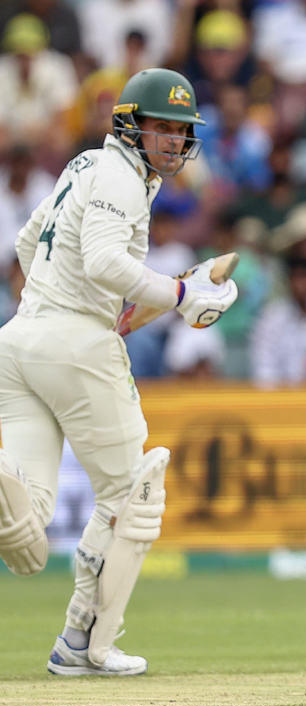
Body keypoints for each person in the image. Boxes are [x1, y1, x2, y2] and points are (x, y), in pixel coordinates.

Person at [0, 68, 238, 675]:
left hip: (21, 340)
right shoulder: (122, 177)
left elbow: (30, 246)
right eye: (161, 128)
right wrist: (182, 295)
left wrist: (169, 292)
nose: (174, 142)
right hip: (74, 346)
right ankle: (86, 644)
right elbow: (105, 261)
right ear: (130, 124)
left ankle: (75, 644)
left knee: (27, 530)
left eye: (182, 131)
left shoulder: (85, 166)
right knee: (134, 491)